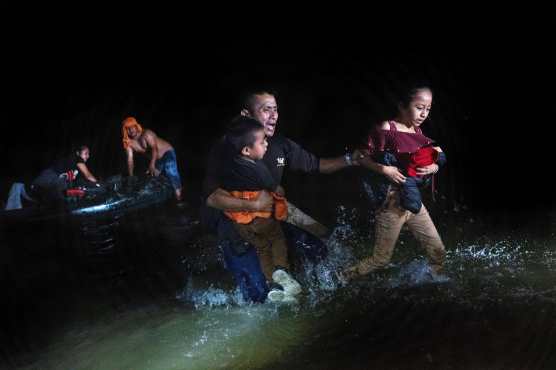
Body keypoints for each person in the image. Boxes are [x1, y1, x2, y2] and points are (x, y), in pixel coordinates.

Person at [202, 89, 361, 303]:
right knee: (258, 295)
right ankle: (267, 289)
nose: (274, 115)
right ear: (246, 115)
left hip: (271, 211)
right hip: (234, 221)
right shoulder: (225, 149)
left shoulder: (280, 146)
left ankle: (306, 284)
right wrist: (253, 204)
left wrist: (351, 159)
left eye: (275, 109)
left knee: (321, 246)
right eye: (266, 110)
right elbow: (212, 198)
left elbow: (316, 164)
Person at [341, 83, 447, 280]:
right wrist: (385, 169)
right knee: (380, 259)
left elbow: (435, 156)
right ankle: (341, 277)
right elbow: (359, 157)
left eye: (428, 109)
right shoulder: (386, 128)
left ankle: (435, 284)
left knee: (438, 251)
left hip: (412, 202)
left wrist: (435, 167)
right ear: (402, 106)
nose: (424, 114)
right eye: (419, 107)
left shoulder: (418, 133)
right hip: (390, 203)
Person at [221, 116, 302, 302]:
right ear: (247, 150)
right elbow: (276, 189)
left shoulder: (227, 169)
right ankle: (282, 270)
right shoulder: (257, 168)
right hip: (261, 218)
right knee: (277, 239)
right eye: (262, 141)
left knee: (262, 249)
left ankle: (273, 286)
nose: (266, 144)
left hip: (240, 224)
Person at [121, 116, 183, 202]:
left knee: (171, 173)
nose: (131, 130)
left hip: (167, 153)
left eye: (132, 127)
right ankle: (160, 199)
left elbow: (155, 148)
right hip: (156, 160)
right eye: (128, 129)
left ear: (136, 126)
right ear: (125, 130)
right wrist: (131, 176)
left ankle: (179, 200)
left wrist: (152, 164)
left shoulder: (146, 134)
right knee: (151, 178)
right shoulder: (129, 143)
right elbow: (130, 160)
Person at [30, 145, 98, 205]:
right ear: (77, 153)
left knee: (69, 189)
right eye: (85, 153)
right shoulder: (77, 159)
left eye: (88, 154)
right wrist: (99, 185)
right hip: (48, 177)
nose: (88, 156)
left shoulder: (75, 168)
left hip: (50, 183)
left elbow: (78, 182)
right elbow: (88, 175)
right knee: (63, 189)